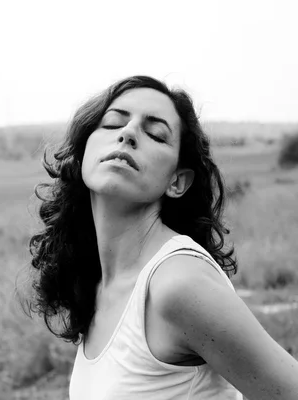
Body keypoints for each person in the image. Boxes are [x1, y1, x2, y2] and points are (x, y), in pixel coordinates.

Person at [24, 76, 298, 399]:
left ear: (177, 182)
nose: (127, 134)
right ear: (84, 153)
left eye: (155, 133)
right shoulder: (99, 286)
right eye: (113, 123)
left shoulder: (177, 283)